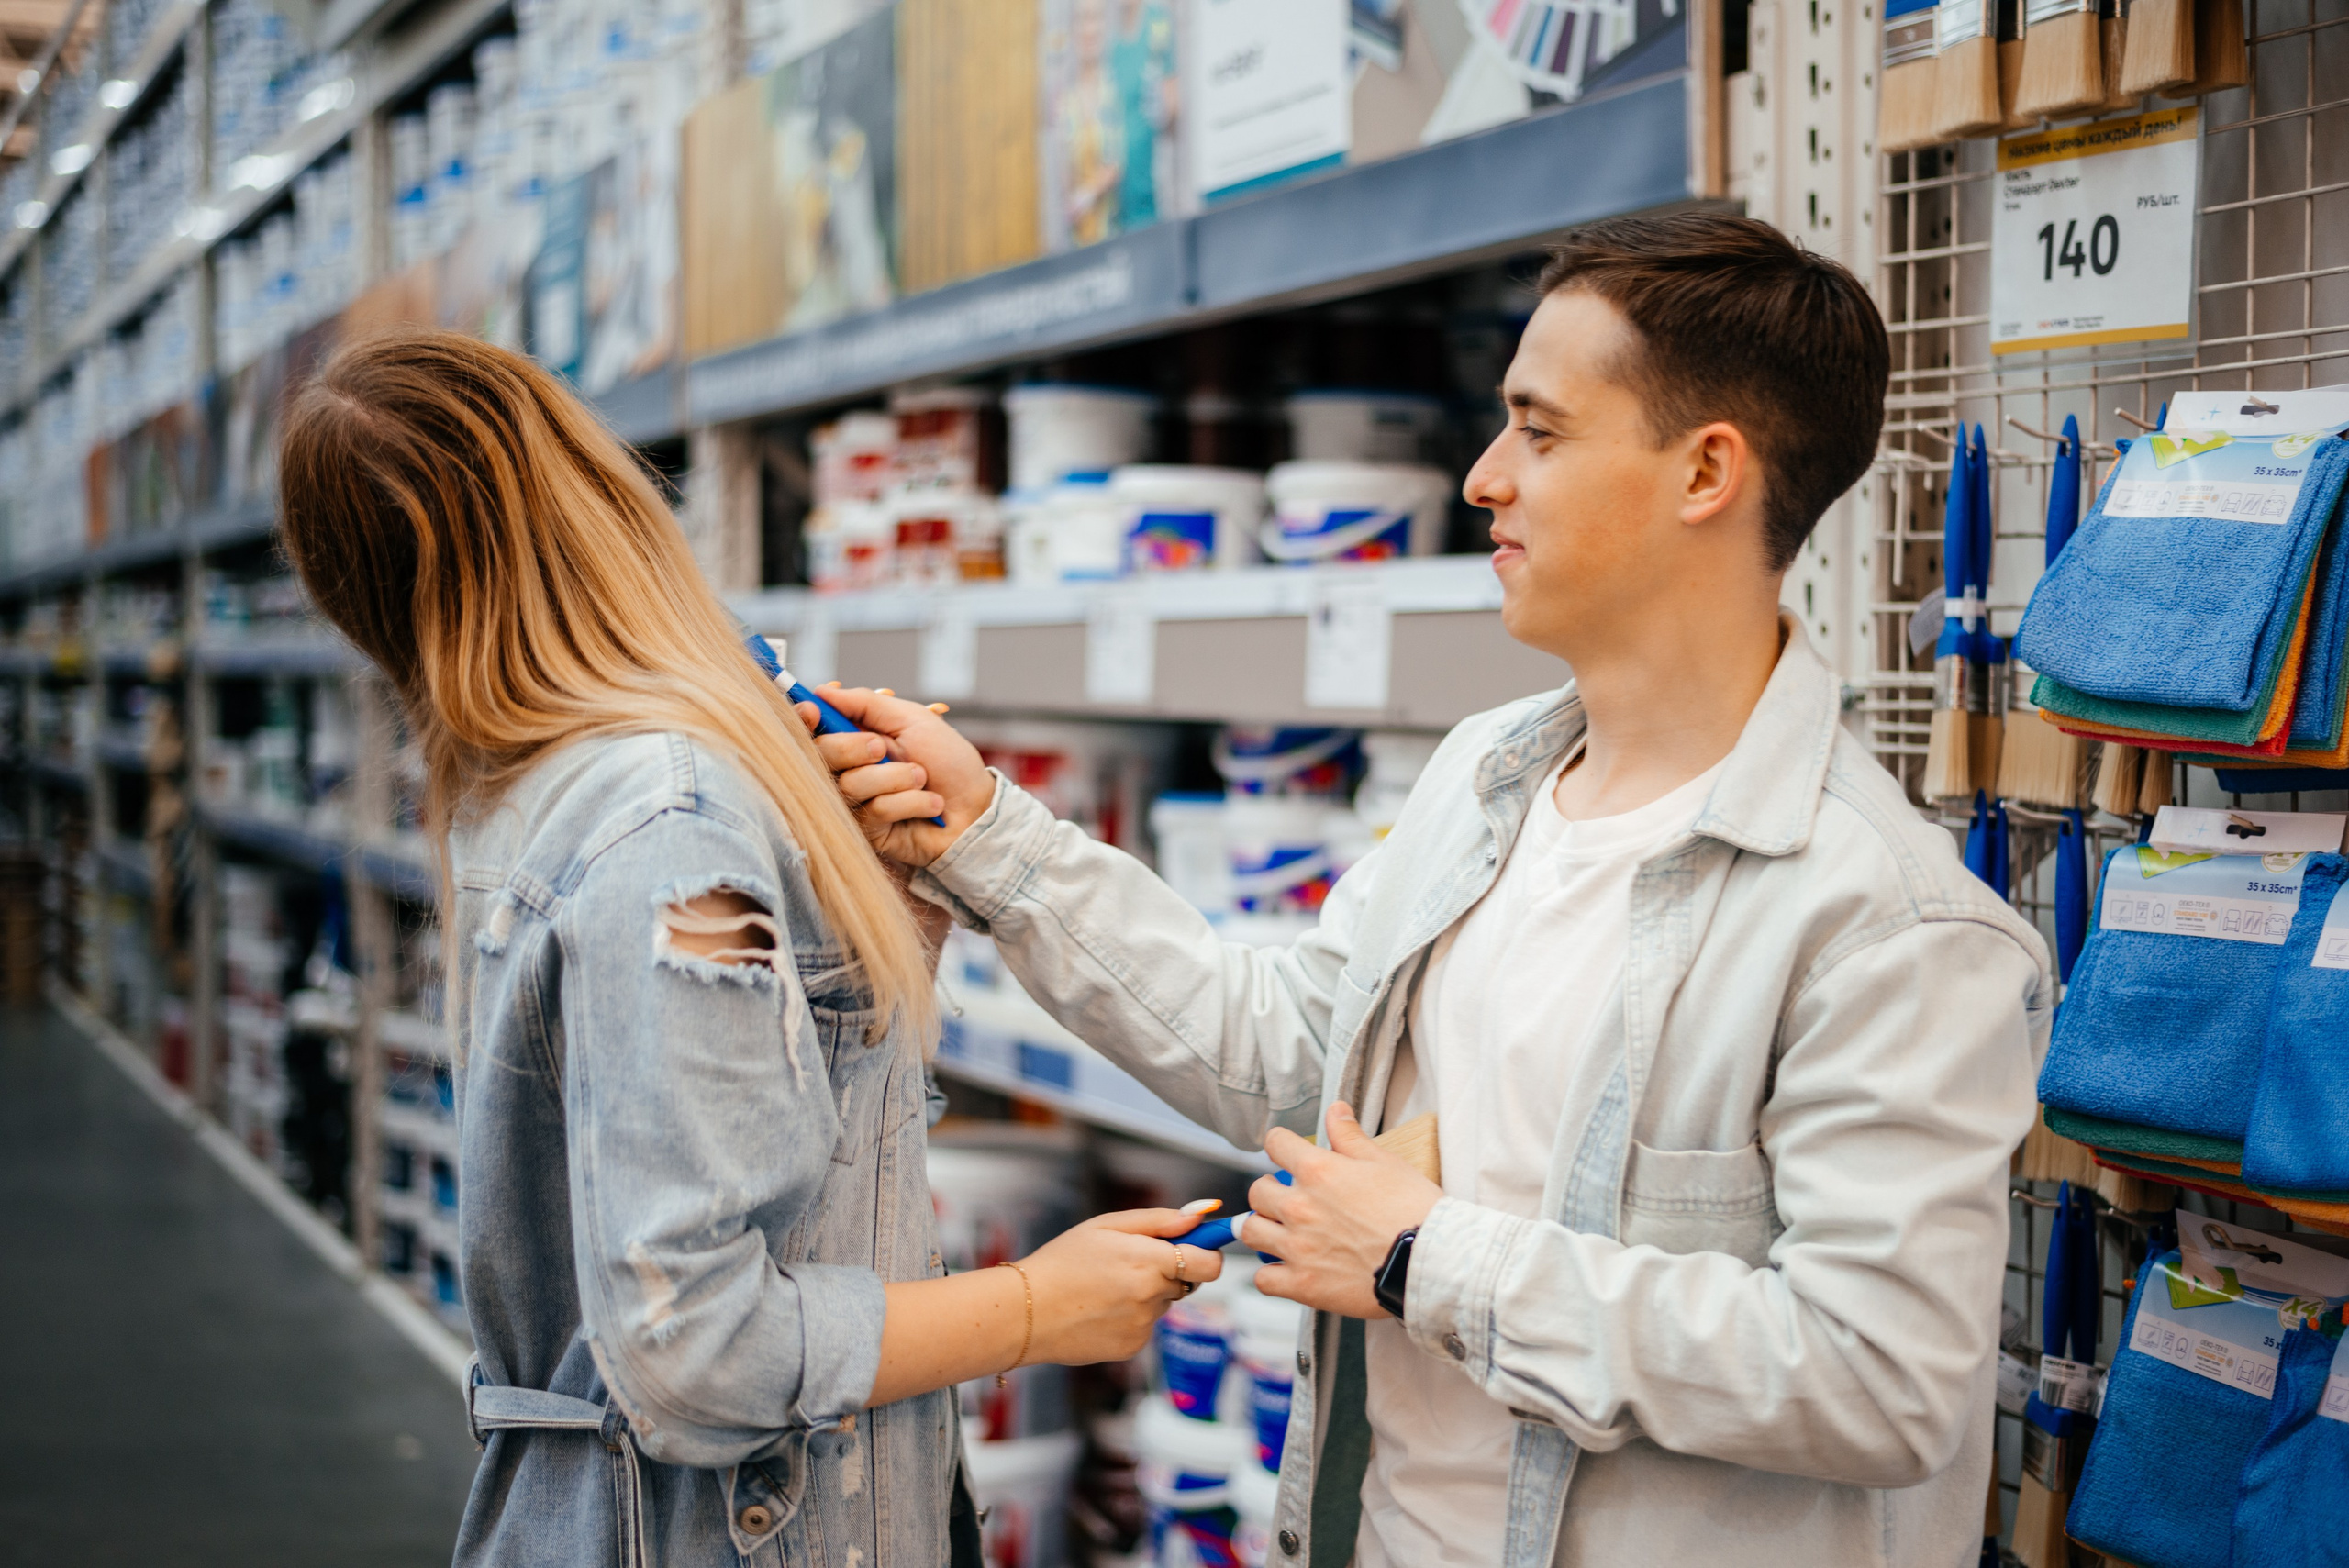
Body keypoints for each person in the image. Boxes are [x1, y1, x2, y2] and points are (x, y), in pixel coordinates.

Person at [807, 214, 2053, 1567]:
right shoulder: (1483, 782)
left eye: (1541, 430)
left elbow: (1882, 1375)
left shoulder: (1882, 922)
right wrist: (985, 829)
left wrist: (1422, 1261)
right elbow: (1299, 1056)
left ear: (1707, 470)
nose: (1480, 477)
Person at [273, 328, 1223, 1568]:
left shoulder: (528, 786)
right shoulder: (669, 821)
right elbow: (691, 1348)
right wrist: (1039, 1306)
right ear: (593, 495)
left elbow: (749, 1140)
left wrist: (882, 915)